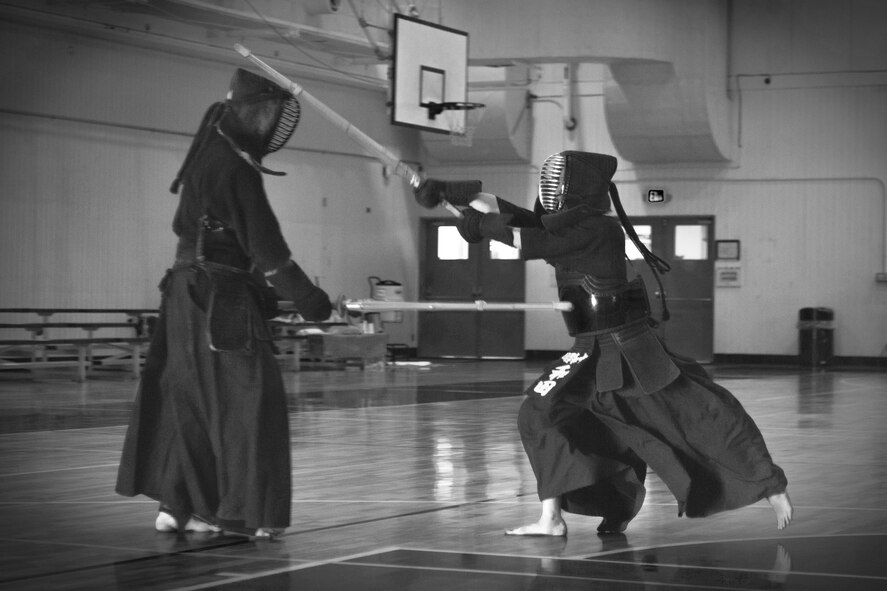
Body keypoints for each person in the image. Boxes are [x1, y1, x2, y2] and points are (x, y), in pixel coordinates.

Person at [413, 151, 793, 535]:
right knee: (538, 415)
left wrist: (480, 225)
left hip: (628, 348)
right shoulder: (564, 228)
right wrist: (453, 193)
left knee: (695, 413)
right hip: (587, 348)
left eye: (555, 183)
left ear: (577, 188)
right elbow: (508, 214)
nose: (549, 192)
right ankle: (551, 518)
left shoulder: (598, 230)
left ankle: (767, 484)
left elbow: (519, 237)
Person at [115, 68, 332, 538]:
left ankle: (181, 505)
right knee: (252, 404)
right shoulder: (234, 168)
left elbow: (213, 239)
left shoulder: (206, 156)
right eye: (272, 114)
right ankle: (245, 513)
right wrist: (310, 300)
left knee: (190, 401)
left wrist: (264, 293)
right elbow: (268, 250)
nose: (275, 126)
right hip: (218, 302)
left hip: (183, 296)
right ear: (254, 113)